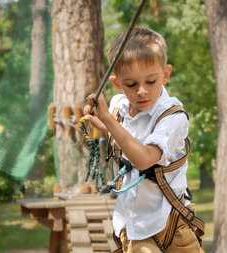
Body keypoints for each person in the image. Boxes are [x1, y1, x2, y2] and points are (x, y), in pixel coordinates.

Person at [84, 27, 204, 253]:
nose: (142, 91)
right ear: (117, 83)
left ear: (165, 75)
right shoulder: (118, 106)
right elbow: (119, 136)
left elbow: (144, 159)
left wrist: (109, 121)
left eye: (151, 81)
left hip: (173, 224)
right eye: (131, 84)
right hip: (135, 225)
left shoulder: (173, 117)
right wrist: (98, 119)